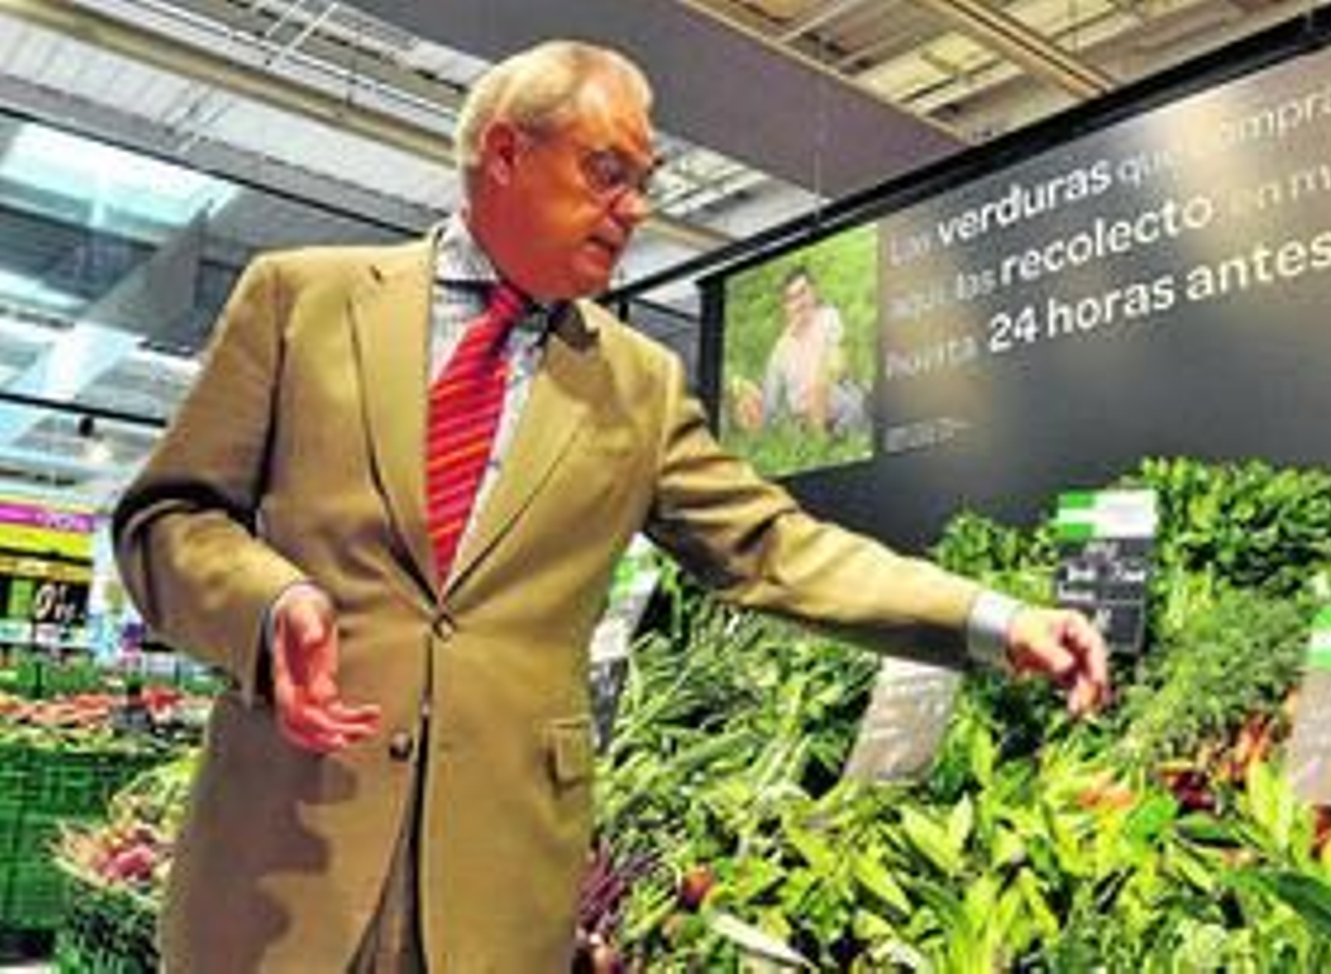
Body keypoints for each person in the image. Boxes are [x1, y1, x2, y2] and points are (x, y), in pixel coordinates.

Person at [112, 40, 1109, 973]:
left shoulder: (636, 382)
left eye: (647, 183)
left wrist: (997, 618)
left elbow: (773, 546)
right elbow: (168, 517)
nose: (634, 209)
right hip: (285, 857)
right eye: (608, 172)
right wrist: (267, 603)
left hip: (497, 885)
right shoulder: (301, 300)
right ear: (506, 152)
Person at [753, 266, 868, 436]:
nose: (799, 303)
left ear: (814, 292)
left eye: (803, 293)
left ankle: (838, 431)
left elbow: (838, 363)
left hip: (838, 402)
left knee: (850, 401)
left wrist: (821, 386)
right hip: (804, 419)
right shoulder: (780, 348)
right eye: (791, 299)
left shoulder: (828, 317)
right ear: (785, 307)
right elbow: (770, 403)